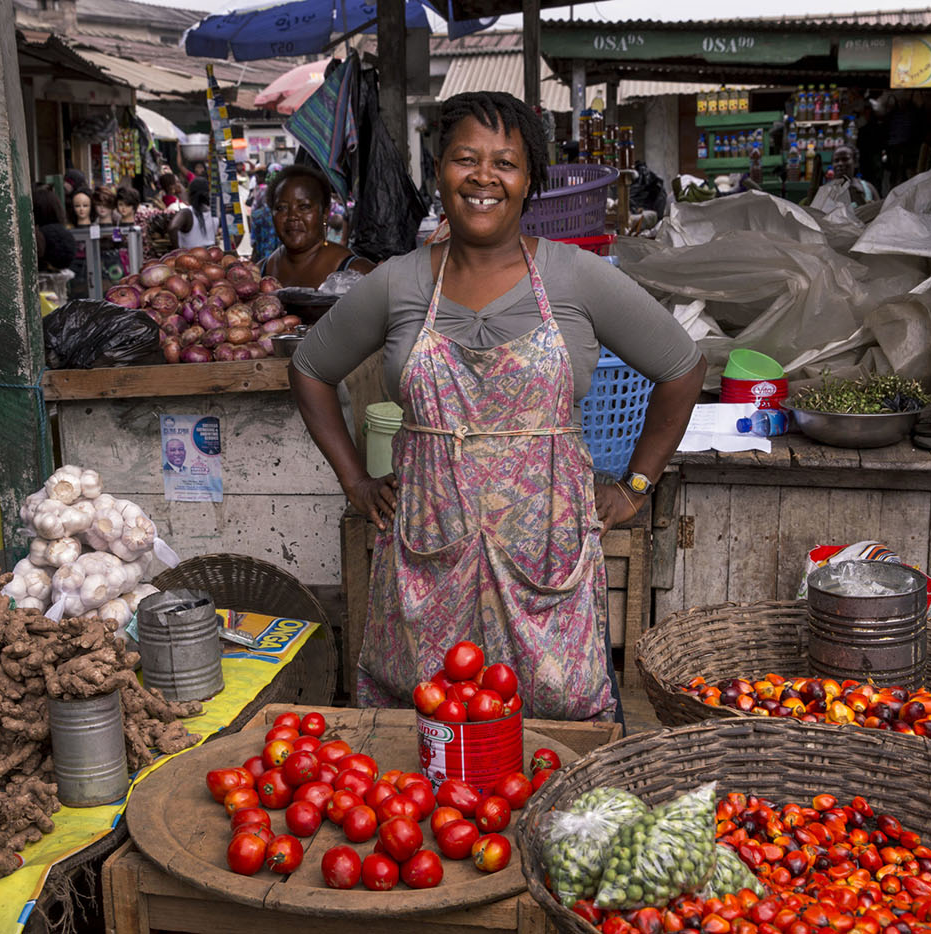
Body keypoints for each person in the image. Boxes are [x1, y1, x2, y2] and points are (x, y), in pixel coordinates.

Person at [289, 91, 706, 723]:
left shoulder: (576, 277)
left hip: (546, 559)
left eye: (505, 162)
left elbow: (683, 368)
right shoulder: (400, 281)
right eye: (465, 159)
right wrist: (354, 479)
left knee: (557, 737)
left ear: (530, 179)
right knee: (424, 734)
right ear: (440, 173)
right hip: (429, 556)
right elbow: (310, 368)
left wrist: (637, 485)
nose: (484, 177)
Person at [262, 164, 373, 288]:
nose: (292, 216)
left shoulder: (358, 271)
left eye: (304, 207)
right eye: (281, 208)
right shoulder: (261, 272)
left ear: (325, 212)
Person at [172, 178, 216, 249]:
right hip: (211, 255)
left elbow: (173, 227)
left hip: (190, 257)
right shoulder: (214, 213)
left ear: (190, 194)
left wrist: (177, 251)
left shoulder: (187, 213)